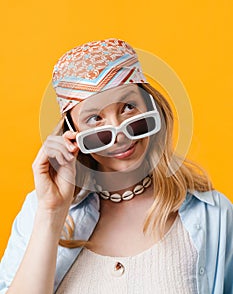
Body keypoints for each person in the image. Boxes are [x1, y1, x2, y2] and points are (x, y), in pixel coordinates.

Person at [0, 38, 232, 294]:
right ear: (73, 134)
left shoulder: (215, 215)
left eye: (128, 107)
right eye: (94, 118)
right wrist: (51, 213)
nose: (119, 133)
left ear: (150, 107)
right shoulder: (38, 212)